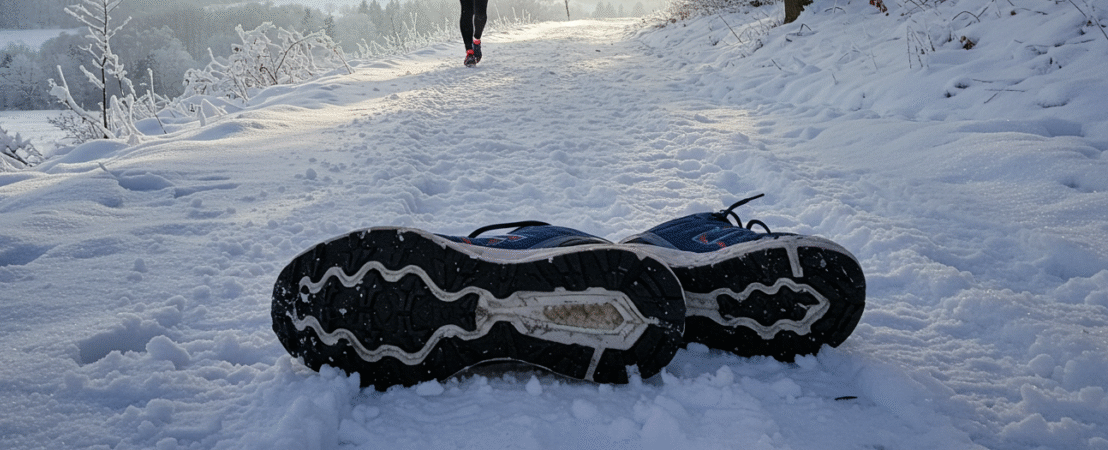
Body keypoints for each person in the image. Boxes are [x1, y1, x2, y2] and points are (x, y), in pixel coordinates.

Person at [271, 194, 866, 390]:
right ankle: (695, 243)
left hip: (569, 254)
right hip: (636, 256)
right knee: (602, 246)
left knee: (560, 242)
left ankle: (513, 252)